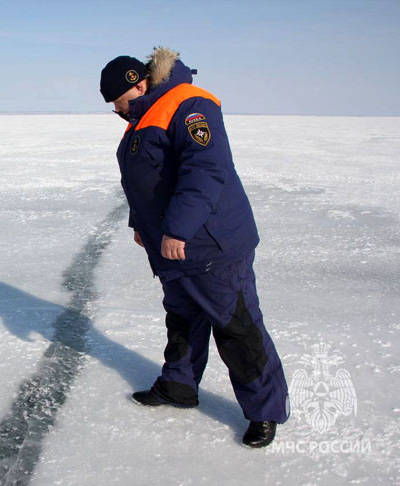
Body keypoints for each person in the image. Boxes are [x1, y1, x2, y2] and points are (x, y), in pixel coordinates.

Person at [100, 47, 289, 448]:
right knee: (183, 319)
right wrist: (141, 226)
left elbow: (205, 170)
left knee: (236, 327)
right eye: (114, 109)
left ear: (139, 83)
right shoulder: (144, 116)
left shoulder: (188, 104)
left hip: (210, 245)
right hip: (174, 251)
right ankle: (179, 386)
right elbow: (146, 183)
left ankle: (265, 411)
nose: (119, 112)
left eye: (121, 103)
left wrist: (178, 231)